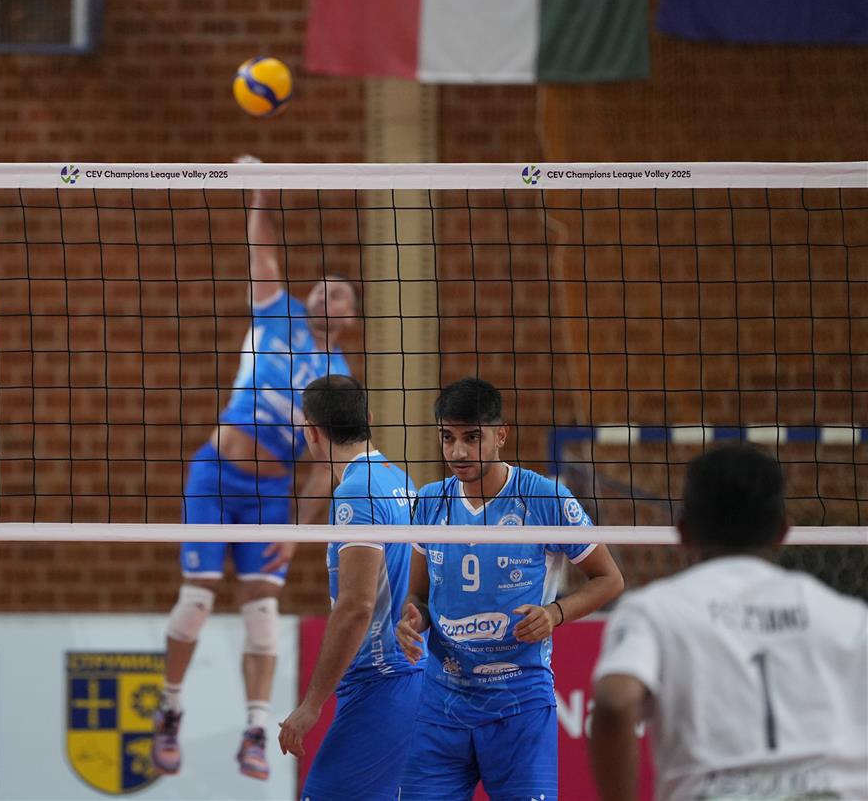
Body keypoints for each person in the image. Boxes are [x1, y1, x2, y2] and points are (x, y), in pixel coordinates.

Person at [153, 164, 359, 780]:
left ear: (350, 317)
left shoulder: (338, 380)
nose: (324, 295)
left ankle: (253, 729)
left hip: (271, 494)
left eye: (338, 294)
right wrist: (262, 197)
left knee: (262, 611)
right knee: (196, 597)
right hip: (216, 476)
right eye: (320, 288)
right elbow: (262, 249)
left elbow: (325, 469)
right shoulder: (276, 311)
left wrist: (296, 529)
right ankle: (170, 709)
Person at [590, 444, 868, 801]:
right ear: (783, 531)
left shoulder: (654, 609)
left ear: (683, 531)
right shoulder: (847, 616)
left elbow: (615, 702)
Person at [395, 377, 625, 801]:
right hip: (442, 704)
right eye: (448, 438)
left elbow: (610, 579)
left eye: (472, 437)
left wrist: (555, 614)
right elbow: (419, 597)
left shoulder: (544, 498)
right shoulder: (429, 502)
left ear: (500, 435)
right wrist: (413, 618)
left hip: (519, 702)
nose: (458, 452)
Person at [277, 375, 423, 800]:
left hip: (383, 680)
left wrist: (311, 704)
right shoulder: (400, 480)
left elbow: (357, 606)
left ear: (311, 432)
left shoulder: (358, 493)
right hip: (405, 677)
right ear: (369, 419)